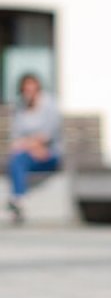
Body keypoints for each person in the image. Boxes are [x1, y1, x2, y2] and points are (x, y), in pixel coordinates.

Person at [6, 73, 62, 223]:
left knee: (19, 159)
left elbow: (48, 135)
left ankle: (17, 199)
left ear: (38, 88)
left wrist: (30, 144)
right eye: (26, 90)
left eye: (32, 89)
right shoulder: (20, 109)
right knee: (17, 159)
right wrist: (31, 146)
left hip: (49, 154)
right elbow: (15, 140)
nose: (29, 93)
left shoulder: (49, 104)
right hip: (29, 155)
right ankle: (19, 200)